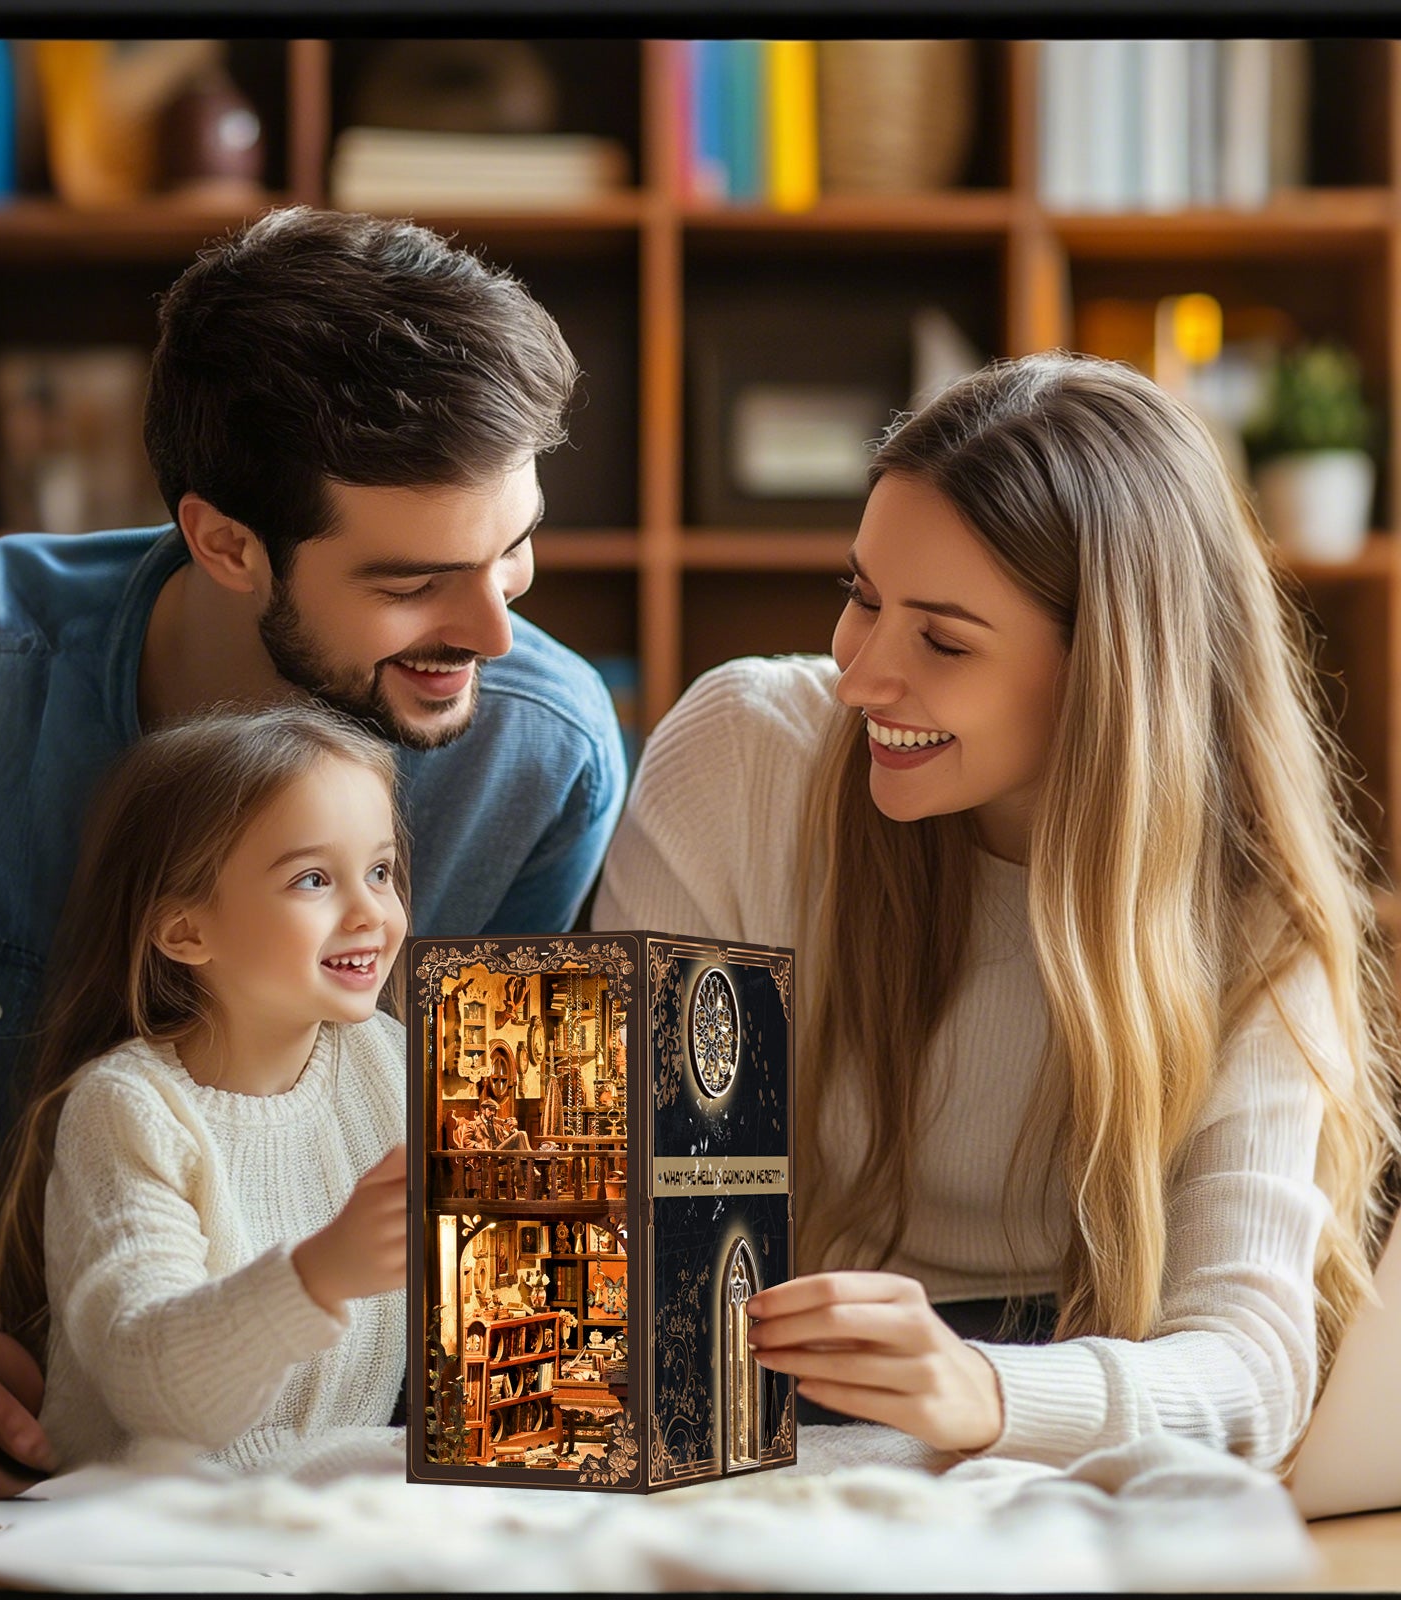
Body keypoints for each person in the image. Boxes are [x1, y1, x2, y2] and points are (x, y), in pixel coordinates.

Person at [0, 205, 626, 1530]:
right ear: (227, 541)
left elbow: (508, 1280)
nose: (494, 631)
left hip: (321, 1505)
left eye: (514, 548)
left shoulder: (541, 761)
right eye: (417, 581)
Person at [594, 352, 1401, 1471]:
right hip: (755, 1423)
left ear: (1110, 677)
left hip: (1048, 1432)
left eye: (942, 640)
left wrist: (976, 1387)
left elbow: (1248, 1364)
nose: (859, 673)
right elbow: (633, 1241)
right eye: (861, 596)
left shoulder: (1249, 909)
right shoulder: (742, 759)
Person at [0, 702, 408, 1477]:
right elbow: (154, 1388)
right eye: (314, 879)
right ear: (185, 933)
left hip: (338, 1507)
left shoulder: (391, 1065)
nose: (371, 912)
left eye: (380, 871)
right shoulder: (128, 1111)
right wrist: (322, 1272)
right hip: (153, 1525)